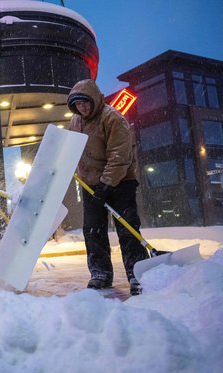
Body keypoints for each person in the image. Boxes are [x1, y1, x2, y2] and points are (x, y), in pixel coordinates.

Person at [67, 79, 149, 296]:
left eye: (85, 102)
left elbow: (120, 157)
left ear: (94, 99)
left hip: (120, 182)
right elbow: (71, 149)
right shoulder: (75, 122)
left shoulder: (112, 118)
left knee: (127, 228)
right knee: (93, 229)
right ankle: (100, 273)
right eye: (78, 104)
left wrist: (106, 184)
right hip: (91, 184)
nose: (82, 107)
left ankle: (136, 273)